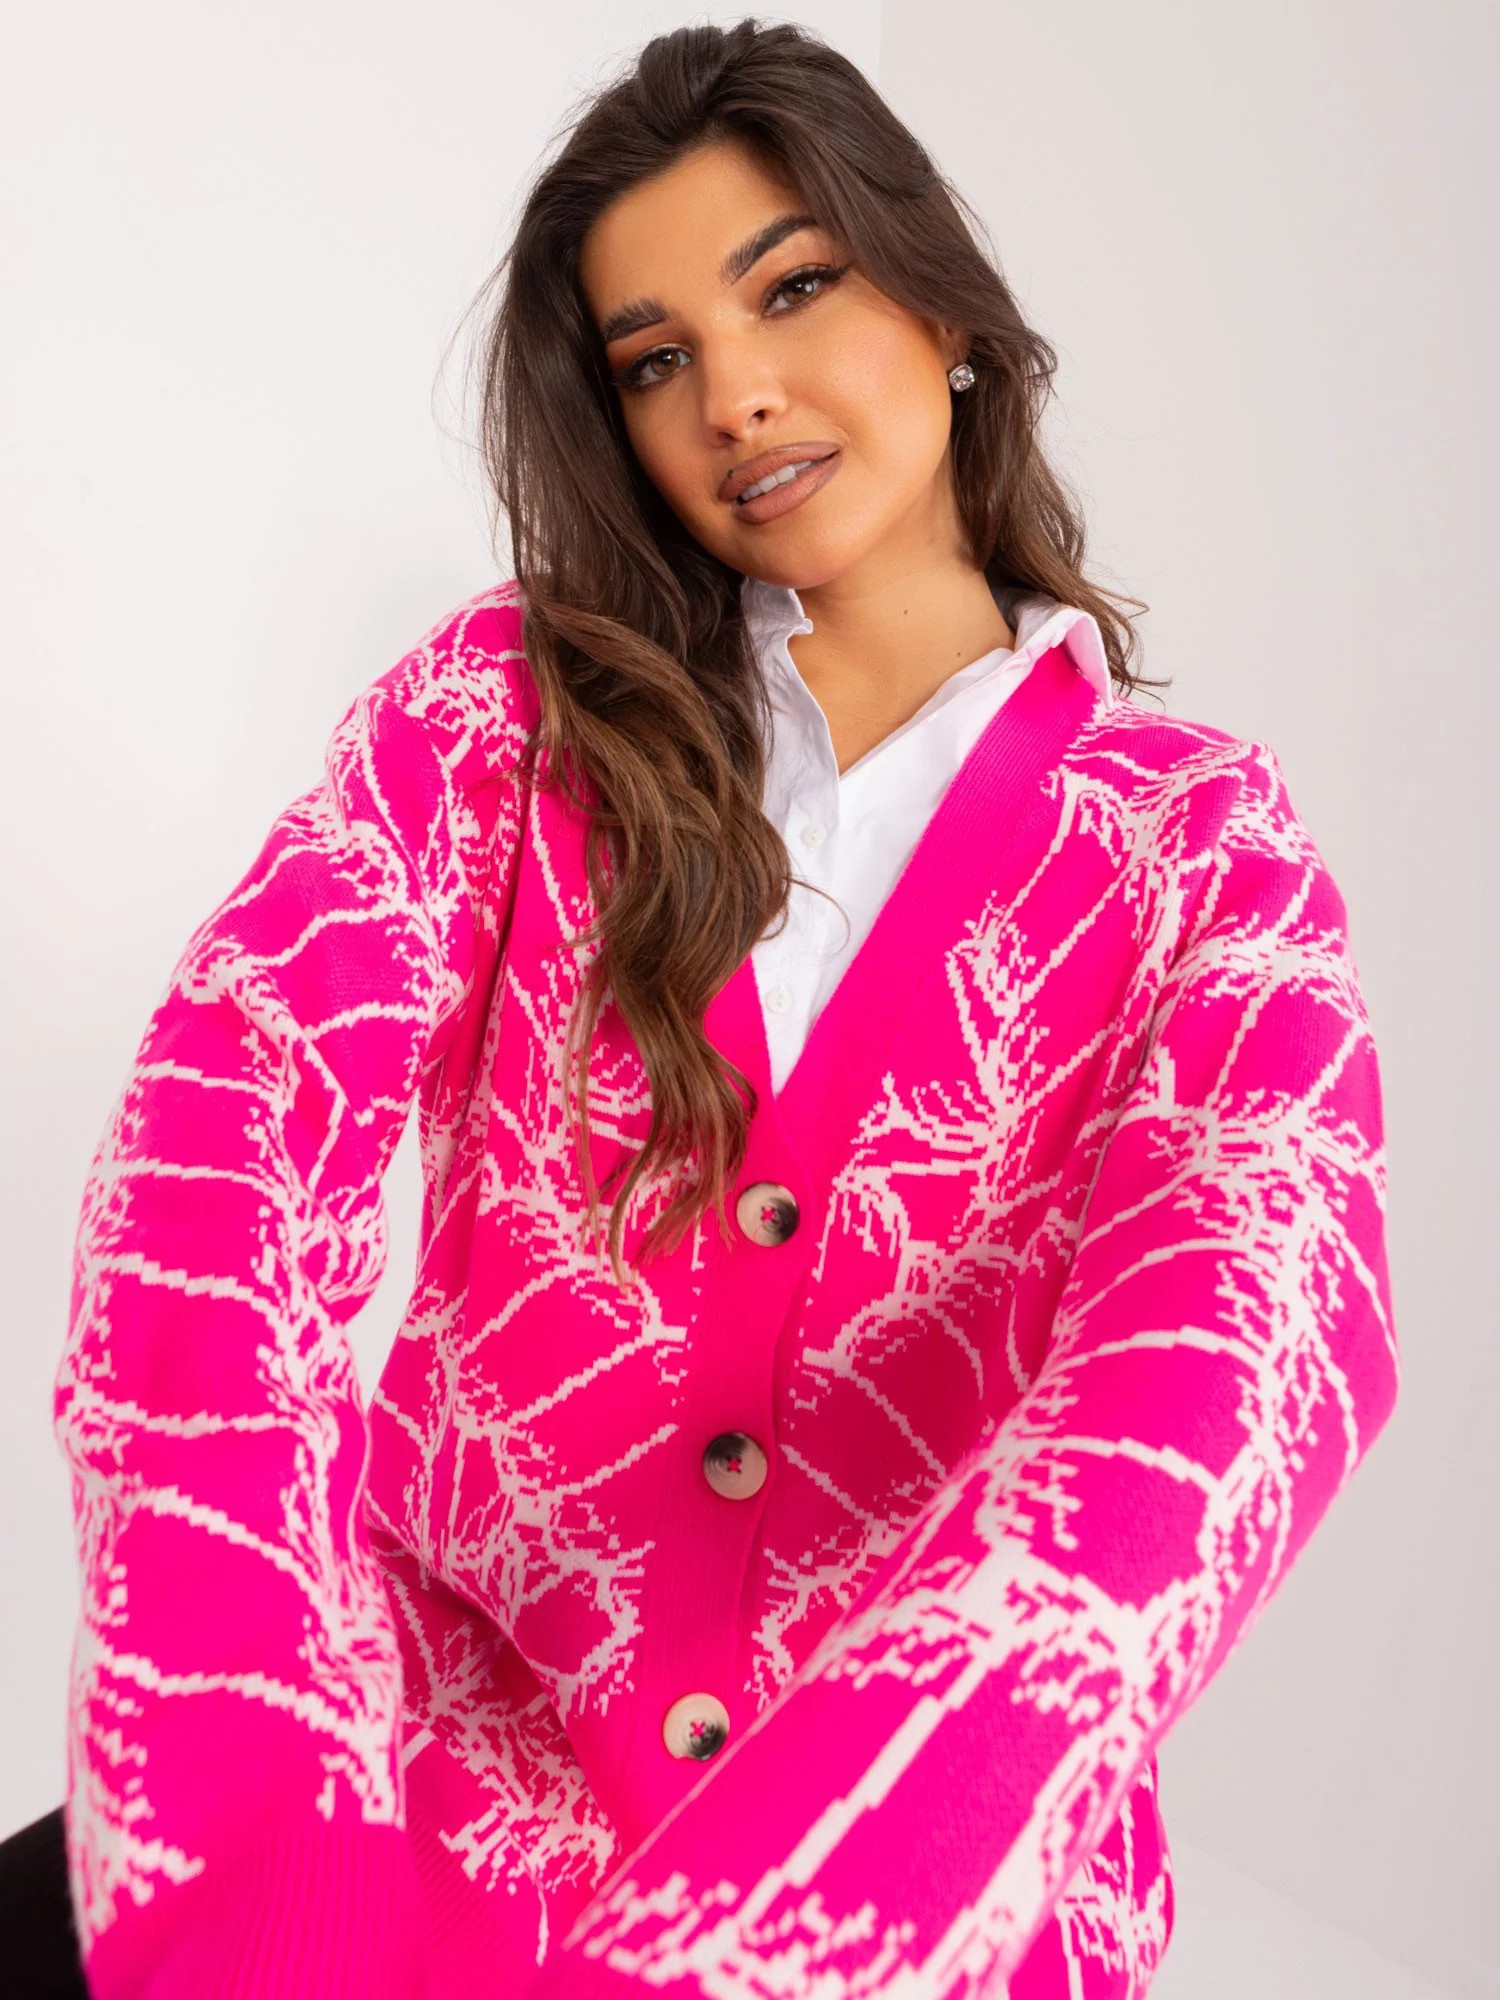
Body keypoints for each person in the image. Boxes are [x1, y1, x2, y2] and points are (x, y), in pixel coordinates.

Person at [19, 18, 1397, 1999]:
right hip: (391, 1836)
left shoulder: (1202, 853)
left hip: (923, 1926)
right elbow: (220, 1161)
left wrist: (782, 1936)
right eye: (655, 358)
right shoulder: (504, 723)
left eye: (794, 287)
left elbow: (1239, 1349)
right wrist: (252, 1845)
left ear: (945, 304)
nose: (733, 394)